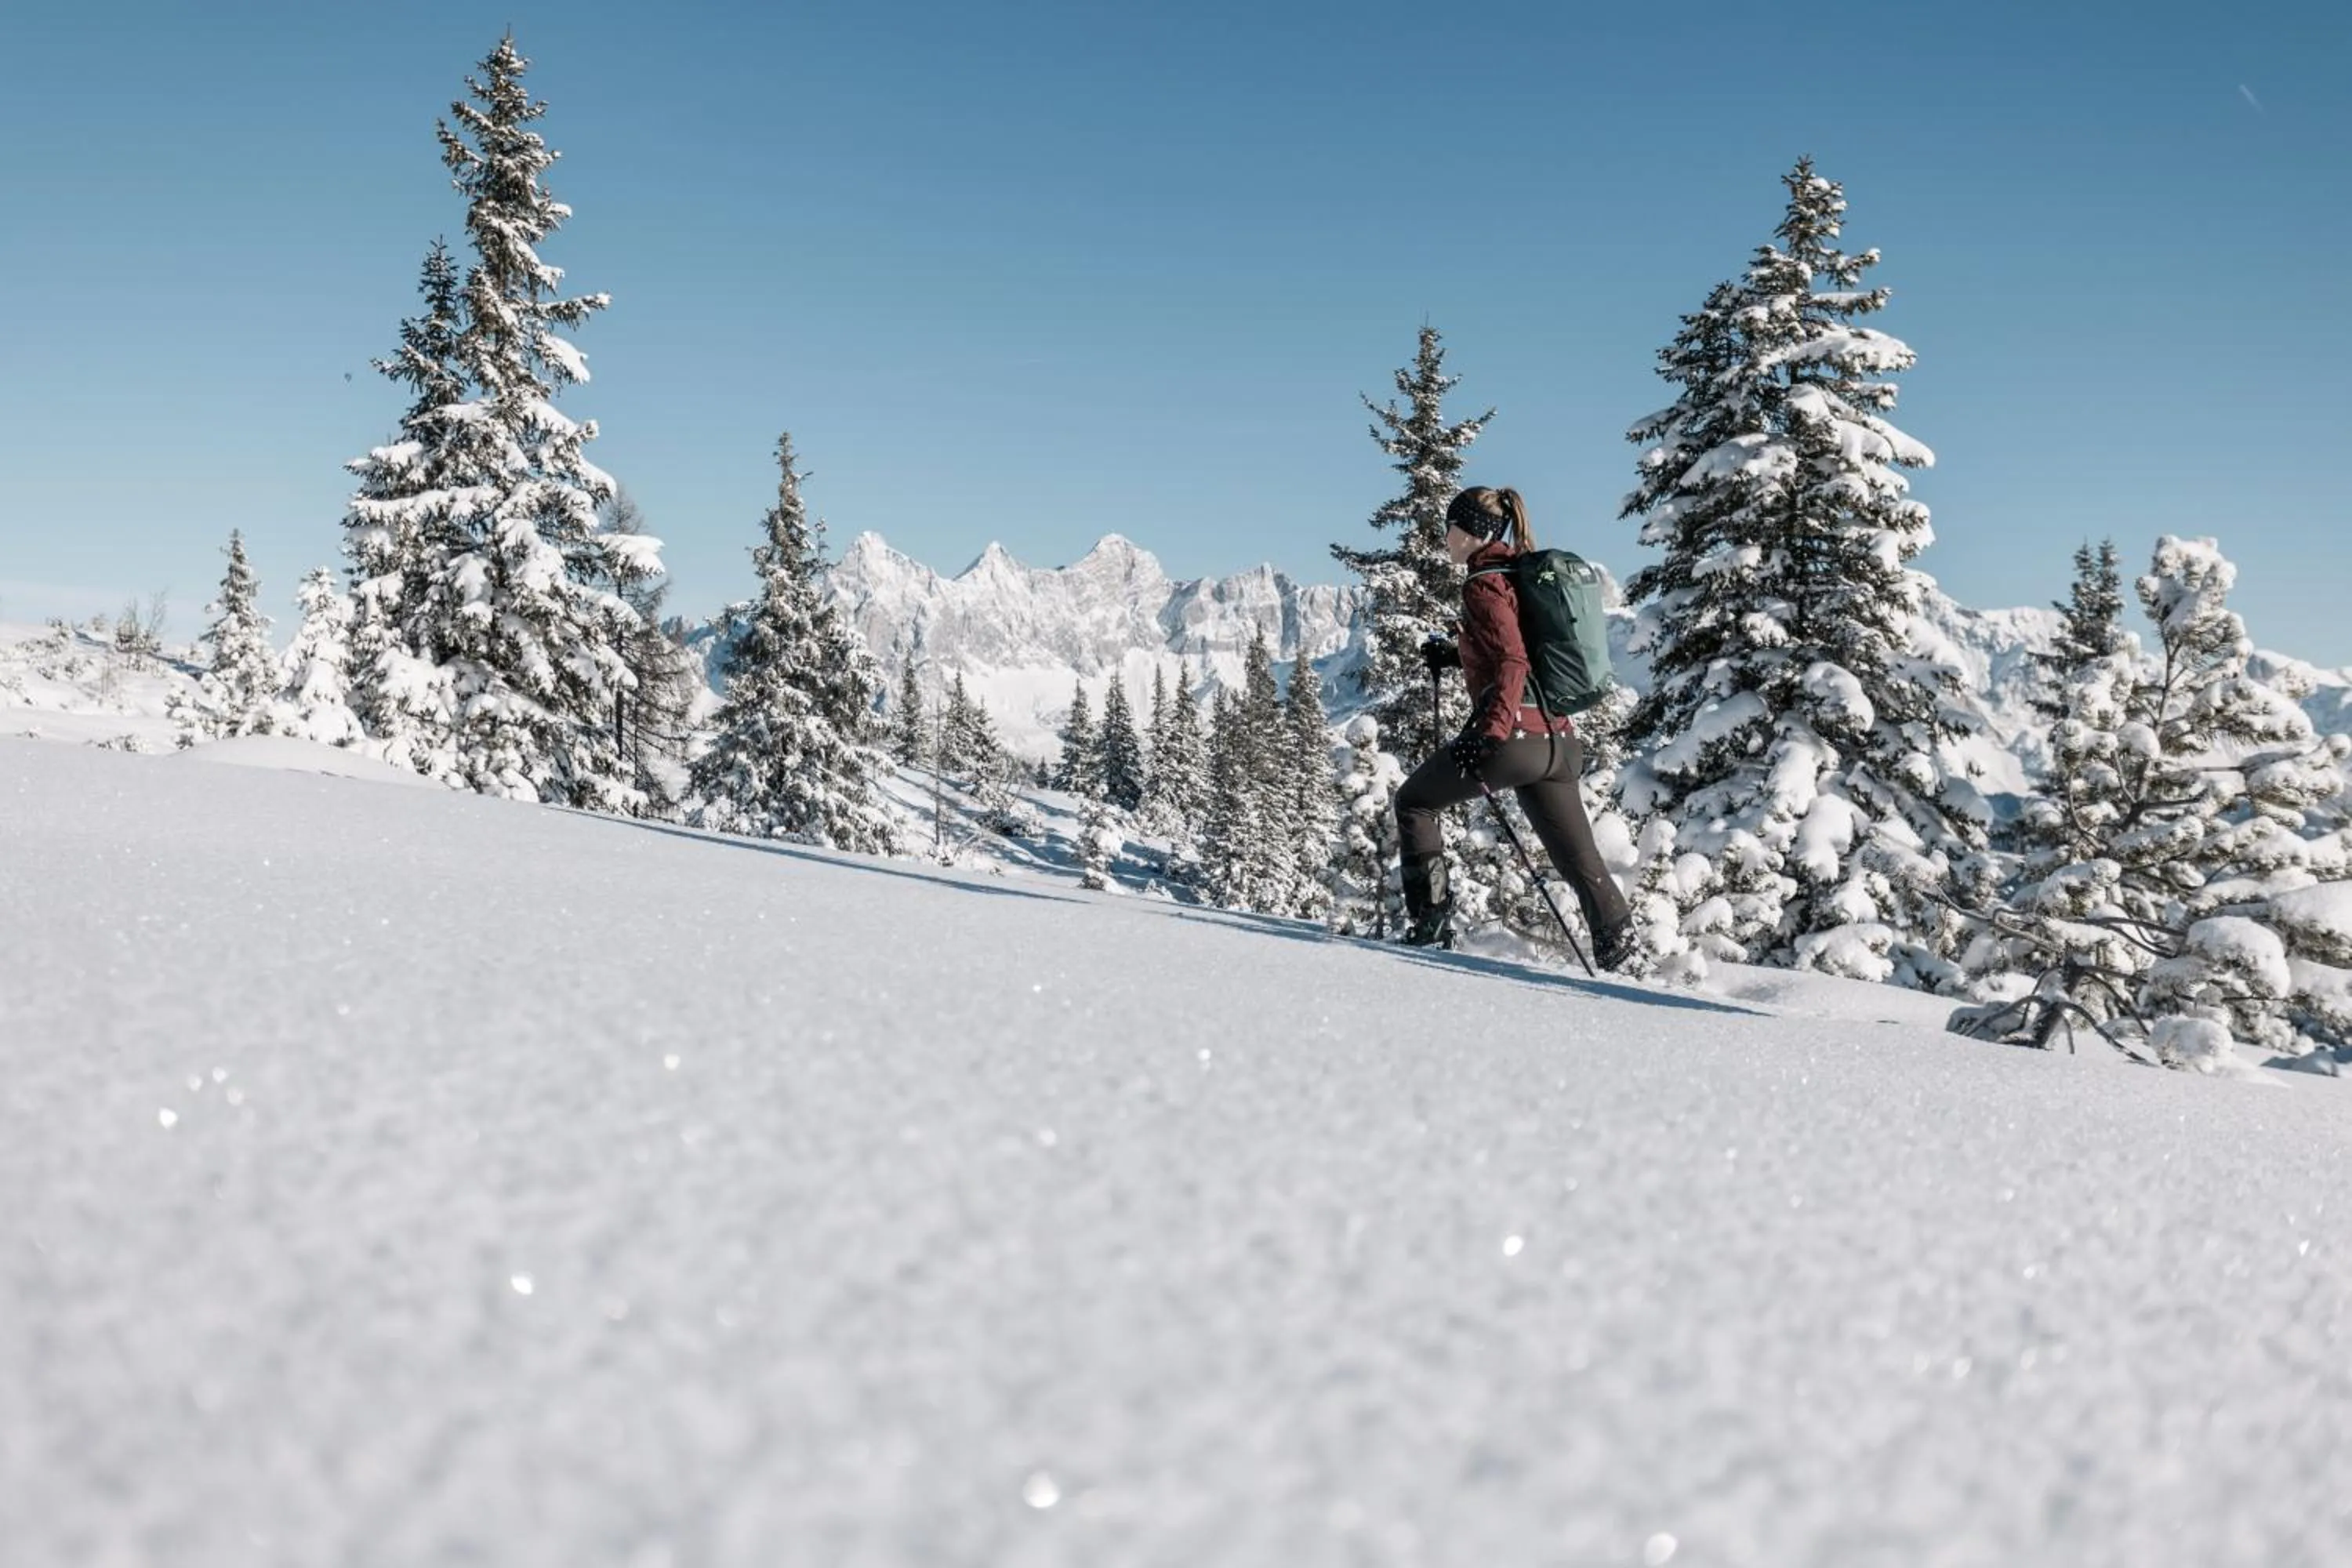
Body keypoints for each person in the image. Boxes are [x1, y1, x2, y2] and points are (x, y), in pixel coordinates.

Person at [1396, 486, 1634, 967]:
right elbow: (1519, 649)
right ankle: (1623, 955)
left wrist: (1490, 732)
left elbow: (1511, 659)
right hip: (1559, 741)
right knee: (1579, 862)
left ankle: (1431, 925)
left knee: (1414, 802)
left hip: (1515, 740)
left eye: (1449, 528)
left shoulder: (1483, 584)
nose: (1445, 537)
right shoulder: (1520, 576)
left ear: (1470, 531)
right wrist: (1454, 654)